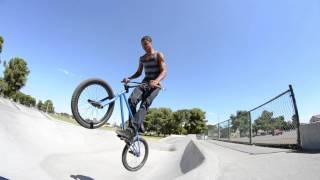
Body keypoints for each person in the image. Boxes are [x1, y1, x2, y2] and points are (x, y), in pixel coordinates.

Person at [116, 35, 167, 140]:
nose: (144, 47)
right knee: (131, 100)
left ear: (150, 43)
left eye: (145, 44)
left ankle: (131, 130)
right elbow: (139, 72)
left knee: (144, 105)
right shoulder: (142, 58)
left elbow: (164, 71)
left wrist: (157, 81)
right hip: (145, 82)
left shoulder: (158, 55)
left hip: (155, 85)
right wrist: (129, 78)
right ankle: (138, 124)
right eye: (142, 45)